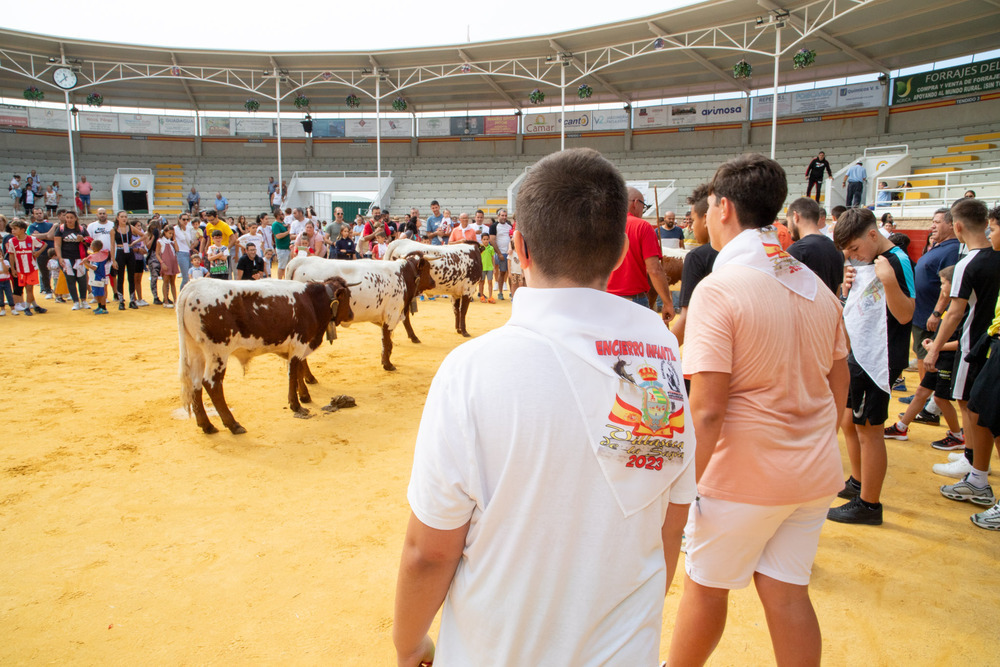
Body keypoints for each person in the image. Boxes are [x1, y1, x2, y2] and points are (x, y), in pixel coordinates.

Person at [394, 148, 694, 666]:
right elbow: (672, 520)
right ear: (624, 250)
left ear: (519, 248)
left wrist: (409, 643)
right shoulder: (661, 352)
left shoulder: (471, 369)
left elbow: (430, 551)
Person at [666, 154, 847, 667]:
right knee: (788, 592)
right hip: (811, 474)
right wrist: (815, 439)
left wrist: (684, 488)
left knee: (706, 587)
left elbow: (707, 411)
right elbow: (840, 378)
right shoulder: (814, 285)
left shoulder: (720, 289)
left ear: (722, 208)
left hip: (741, 476)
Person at [827, 208, 915, 525]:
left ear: (873, 235)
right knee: (852, 421)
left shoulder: (897, 261)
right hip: (859, 352)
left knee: (870, 430)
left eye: (854, 248)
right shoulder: (866, 261)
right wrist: (847, 286)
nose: (851, 256)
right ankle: (859, 482)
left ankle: (869, 505)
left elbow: (906, 314)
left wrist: (888, 282)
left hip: (879, 356)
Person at [924, 198, 1000, 510]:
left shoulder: (969, 262)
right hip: (990, 342)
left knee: (969, 405)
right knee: (977, 406)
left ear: (957, 227)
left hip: (974, 344)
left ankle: (974, 468)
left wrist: (936, 348)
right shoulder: (995, 256)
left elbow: (955, 312)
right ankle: (974, 463)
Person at [885, 265, 963, 443]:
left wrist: (938, 347)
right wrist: (934, 344)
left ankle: (957, 435)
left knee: (941, 399)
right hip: (940, 356)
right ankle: (901, 427)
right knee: (922, 391)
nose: (941, 287)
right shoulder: (951, 306)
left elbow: (962, 342)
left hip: (948, 360)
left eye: (944, 283)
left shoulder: (962, 310)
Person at [904, 208, 960, 406]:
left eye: (937, 222)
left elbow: (949, 285)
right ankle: (923, 398)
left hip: (931, 315)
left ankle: (928, 403)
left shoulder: (952, 250)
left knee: (928, 356)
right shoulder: (939, 246)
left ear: (951, 224)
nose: (932, 226)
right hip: (922, 313)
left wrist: (937, 312)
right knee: (921, 354)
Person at [606, 187, 675, 323]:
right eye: (644, 206)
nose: (643, 210)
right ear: (636, 203)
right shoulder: (643, 226)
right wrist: (667, 302)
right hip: (633, 300)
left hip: (604, 299)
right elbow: (654, 269)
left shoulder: (601, 225)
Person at [671, 184, 716, 346]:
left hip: (707, 345)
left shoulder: (697, 257)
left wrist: (662, 350)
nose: (692, 226)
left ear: (705, 219)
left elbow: (687, 319)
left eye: (694, 219)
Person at [786, 196, 844, 295]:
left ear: (795, 216)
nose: (788, 229)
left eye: (788, 222)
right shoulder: (836, 248)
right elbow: (837, 290)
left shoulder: (797, 251)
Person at [5, 220, 47, 315]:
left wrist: (38, 252)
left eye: (15, 229)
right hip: (20, 269)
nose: (13, 231)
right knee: (27, 289)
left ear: (23, 230)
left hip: (31, 268)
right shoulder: (12, 241)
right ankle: (35, 306)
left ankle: (27, 308)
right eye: (12, 229)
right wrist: (13, 268)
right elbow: (11, 255)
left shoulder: (31, 239)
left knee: (29, 289)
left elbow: (44, 244)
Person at [54, 211, 90, 310]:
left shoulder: (82, 229)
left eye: (71, 217)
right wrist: (59, 257)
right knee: (70, 280)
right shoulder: (60, 229)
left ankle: (83, 300)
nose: (69, 220)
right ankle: (75, 302)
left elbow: (89, 243)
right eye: (67, 217)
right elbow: (57, 244)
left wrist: (82, 240)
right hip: (66, 258)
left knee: (82, 280)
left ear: (75, 219)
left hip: (80, 258)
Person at [489, 209, 513, 299]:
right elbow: (492, 240)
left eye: (505, 215)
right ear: (498, 216)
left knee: (511, 273)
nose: (504, 217)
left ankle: (512, 292)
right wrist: (499, 253)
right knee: (502, 272)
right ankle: (500, 292)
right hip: (501, 253)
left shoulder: (509, 226)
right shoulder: (494, 226)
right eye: (502, 215)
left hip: (510, 253)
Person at [81, 240, 110, 315]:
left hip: (98, 277)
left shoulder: (96, 257)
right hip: (96, 277)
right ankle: (100, 306)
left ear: (93, 247)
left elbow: (94, 267)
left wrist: (86, 263)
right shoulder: (98, 255)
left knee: (100, 293)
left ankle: (103, 308)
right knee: (97, 293)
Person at [157, 225, 180, 307]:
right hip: (166, 263)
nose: (170, 235)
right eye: (169, 233)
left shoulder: (171, 242)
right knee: (166, 282)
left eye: (172, 234)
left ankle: (175, 300)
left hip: (173, 262)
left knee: (173, 282)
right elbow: (157, 254)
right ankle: (166, 301)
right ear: (165, 232)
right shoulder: (160, 241)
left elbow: (177, 249)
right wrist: (162, 263)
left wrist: (174, 240)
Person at [271, 213, 292, 278]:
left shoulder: (283, 223)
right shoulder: (275, 224)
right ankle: (279, 280)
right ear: (277, 215)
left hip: (287, 247)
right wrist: (288, 232)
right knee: (282, 267)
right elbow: (278, 236)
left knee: (287, 266)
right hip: (282, 248)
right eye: (281, 214)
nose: (283, 215)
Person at [478, 232, 496, 303]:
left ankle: (490, 296)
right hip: (482, 268)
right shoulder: (480, 248)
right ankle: (482, 296)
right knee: (481, 282)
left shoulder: (491, 248)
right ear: (481, 240)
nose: (485, 241)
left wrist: (494, 267)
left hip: (489, 268)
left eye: (487, 239)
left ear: (489, 240)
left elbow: (492, 258)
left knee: (490, 282)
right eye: (484, 239)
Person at [0, 250, 12, 316]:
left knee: (9, 294)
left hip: (6, 280)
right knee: (0, 296)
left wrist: (2, 262)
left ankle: (13, 308)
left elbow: (6, 270)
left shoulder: (6, 262)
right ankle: (2, 309)